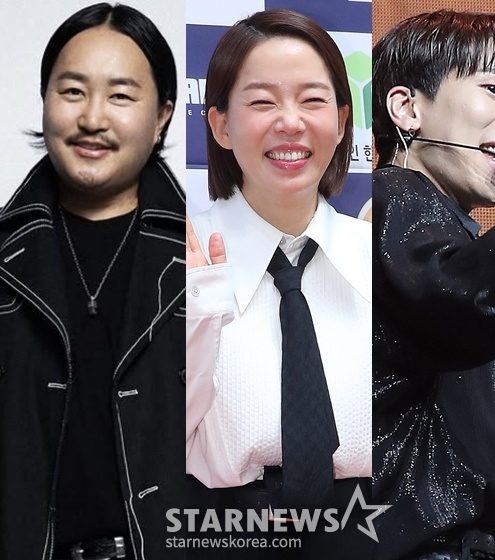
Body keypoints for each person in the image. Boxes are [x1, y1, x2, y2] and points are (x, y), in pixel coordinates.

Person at [372, 10, 495, 560]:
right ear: (407, 108)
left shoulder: (451, 234)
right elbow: (463, 301)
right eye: (494, 90)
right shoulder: (391, 199)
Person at [0, 4, 186, 559]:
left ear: (162, 116)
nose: (92, 118)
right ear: (45, 99)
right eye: (73, 91)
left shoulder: (212, 257)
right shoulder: (7, 254)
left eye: (121, 96)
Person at [186, 9, 372, 560]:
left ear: (342, 121)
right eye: (263, 102)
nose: (290, 122)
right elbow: (140, 440)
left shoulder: (382, 259)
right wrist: (197, 318)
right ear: (221, 125)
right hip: (217, 531)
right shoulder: (173, 258)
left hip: (368, 529)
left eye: (312, 100)